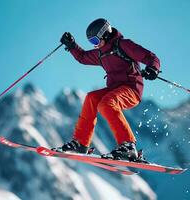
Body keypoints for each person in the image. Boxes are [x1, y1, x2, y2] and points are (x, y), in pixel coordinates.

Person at [53, 18, 160, 161]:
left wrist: (153, 68)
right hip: (114, 90)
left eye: (95, 41)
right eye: (92, 43)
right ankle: (81, 143)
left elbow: (150, 57)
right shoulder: (101, 54)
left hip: (131, 89)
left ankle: (128, 145)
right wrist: (72, 46)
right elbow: (83, 57)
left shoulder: (123, 45)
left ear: (105, 34)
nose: (95, 46)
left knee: (107, 103)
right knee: (92, 98)